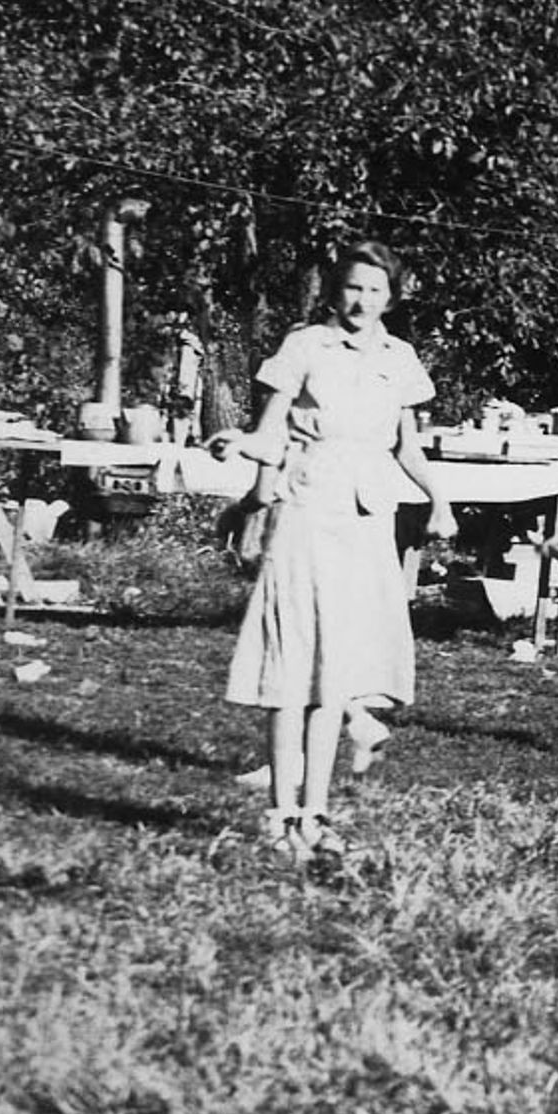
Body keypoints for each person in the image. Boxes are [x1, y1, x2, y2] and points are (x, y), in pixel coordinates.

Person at [222, 243, 440, 867]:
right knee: (293, 665)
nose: (361, 301)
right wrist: (235, 445)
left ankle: (316, 815)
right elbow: (268, 431)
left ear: (391, 298)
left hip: (368, 518)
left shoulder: (400, 359)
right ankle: (279, 816)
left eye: (374, 290)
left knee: (338, 675)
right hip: (307, 510)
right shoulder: (304, 346)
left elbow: (407, 448)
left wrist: (438, 500)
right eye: (350, 288)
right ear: (332, 291)